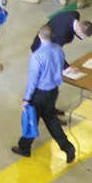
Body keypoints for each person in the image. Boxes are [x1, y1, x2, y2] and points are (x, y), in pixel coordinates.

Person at [13, 24, 78, 162]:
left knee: (31, 121)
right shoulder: (59, 50)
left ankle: (24, 148)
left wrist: (26, 98)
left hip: (39, 93)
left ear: (39, 35)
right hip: (53, 91)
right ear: (52, 35)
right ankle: (67, 147)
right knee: (51, 120)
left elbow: (32, 80)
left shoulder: (37, 56)